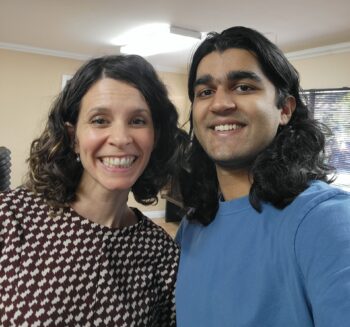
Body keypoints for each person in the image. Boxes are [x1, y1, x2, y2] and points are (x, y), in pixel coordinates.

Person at [175, 26, 350, 326]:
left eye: (243, 87)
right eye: (205, 92)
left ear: (284, 109)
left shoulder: (326, 221)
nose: (220, 104)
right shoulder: (193, 224)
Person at [0, 54, 182, 326]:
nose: (120, 139)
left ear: (154, 138)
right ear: (73, 137)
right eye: (99, 120)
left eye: (138, 121)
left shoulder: (161, 251)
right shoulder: (9, 218)